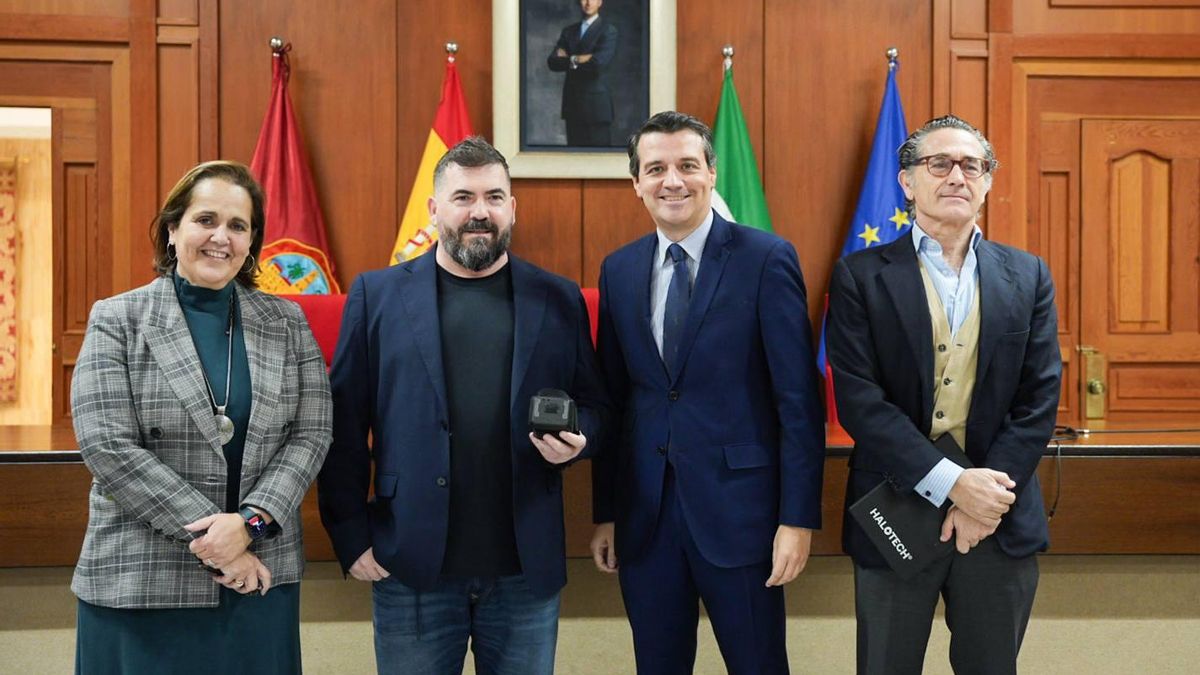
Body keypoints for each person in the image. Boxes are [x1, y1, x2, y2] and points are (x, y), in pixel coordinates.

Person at [318, 136, 608, 675]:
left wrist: (581, 439)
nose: (480, 212)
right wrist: (350, 535)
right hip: (410, 566)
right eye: (463, 197)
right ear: (434, 209)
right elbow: (342, 424)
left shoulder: (558, 297)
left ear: (512, 208)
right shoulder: (377, 296)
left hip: (524, 571)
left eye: (494, 197)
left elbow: (596, 406)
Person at [70, 160, 333, 674]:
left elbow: (312, 433)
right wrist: (221, 544)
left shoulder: (287, 322)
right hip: (143, 576)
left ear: (251, 242)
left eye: (237, 226)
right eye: (205, 220)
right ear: (173, 230)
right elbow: (107, 445)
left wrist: (250, 524)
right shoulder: (117, 318)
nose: (221, 237)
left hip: (257, 579)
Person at [590, 111, 825, 674]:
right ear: (637, 182)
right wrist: (607, 513)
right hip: (646, 521)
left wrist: (797, 520)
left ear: (711, 173)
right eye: (656, 169)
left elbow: (798, 402)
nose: (672, 181)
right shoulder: (619, 270)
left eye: (687, 165)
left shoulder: (766, 258)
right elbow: (615, 401)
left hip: (743, 520)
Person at [826, 114, 1062, 675]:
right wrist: (953, 483)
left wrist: (984, 499)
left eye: (971, 165)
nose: (957, 175)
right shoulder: (859, 275)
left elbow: (1039, 399)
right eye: (939, 164)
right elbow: (860, 400)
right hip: (895, 506)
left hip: (998, 520)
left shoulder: (1028, 275)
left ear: (987, 181)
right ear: (908, 182)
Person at [546, 0, 618, 147]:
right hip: (573, 106)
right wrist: (578, 59)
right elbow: (553, 62)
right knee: (574, 157)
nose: (588, 3)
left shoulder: (608, 30)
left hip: (596, 108)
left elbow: (597, 65)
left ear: (600, 2)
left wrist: (568, 58)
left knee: (599, 156)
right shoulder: (569, 31)